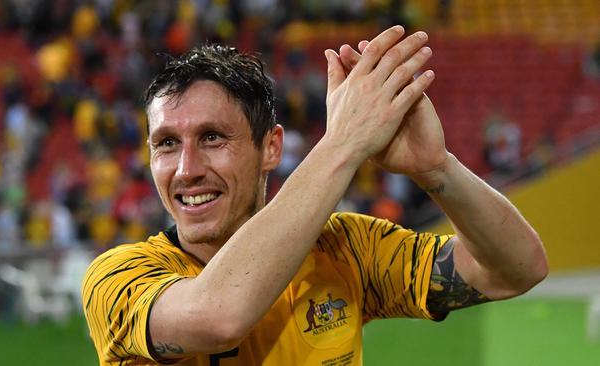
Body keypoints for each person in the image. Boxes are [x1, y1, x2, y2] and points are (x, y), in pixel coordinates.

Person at [82, 25, 548, 365]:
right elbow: (219, 315)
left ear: (271, 148)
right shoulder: (117, 279)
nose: (187, 170)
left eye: (212, 138)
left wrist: (435, 167)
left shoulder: (345, 249)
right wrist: (343, 143)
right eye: (166, 144)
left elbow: (518, 268)